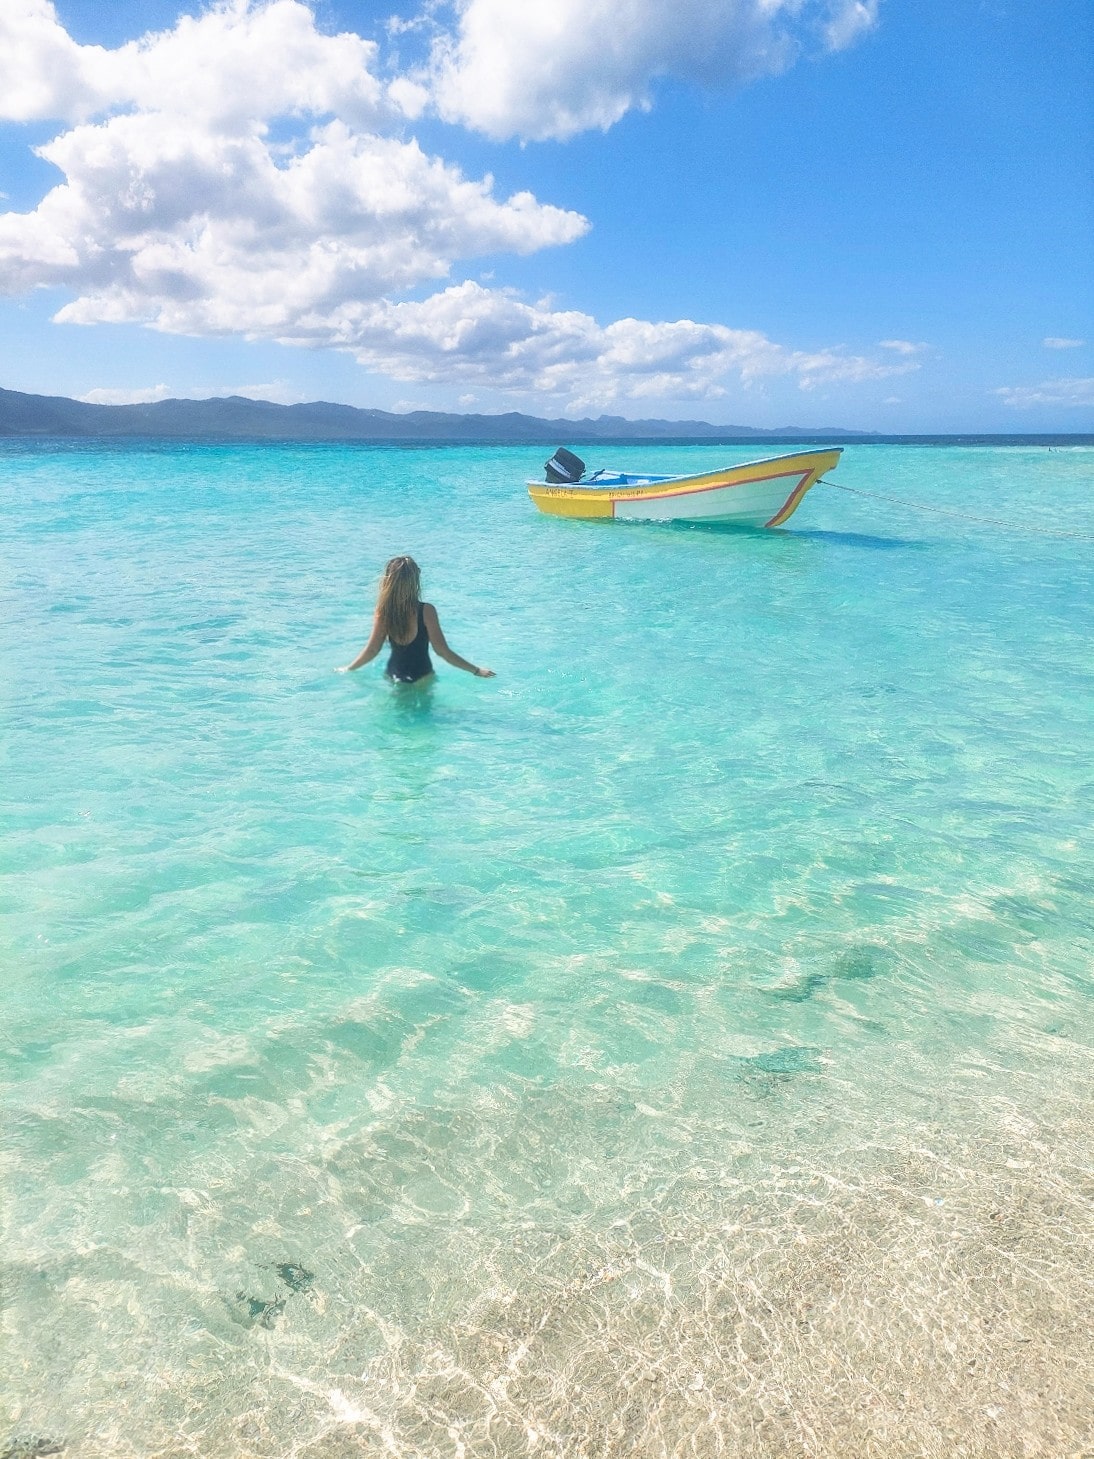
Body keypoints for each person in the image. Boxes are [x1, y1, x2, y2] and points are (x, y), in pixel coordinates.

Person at [338, 555, 495, 683]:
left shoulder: (383, 612)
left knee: (399, 720)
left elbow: (372, 650)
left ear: (388, 582)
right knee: (424, 719)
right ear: (414, 582)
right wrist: (476, 670)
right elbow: (442, 651)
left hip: (395, 677)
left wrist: (349, 668)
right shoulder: (427, 611)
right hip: (422, 677)